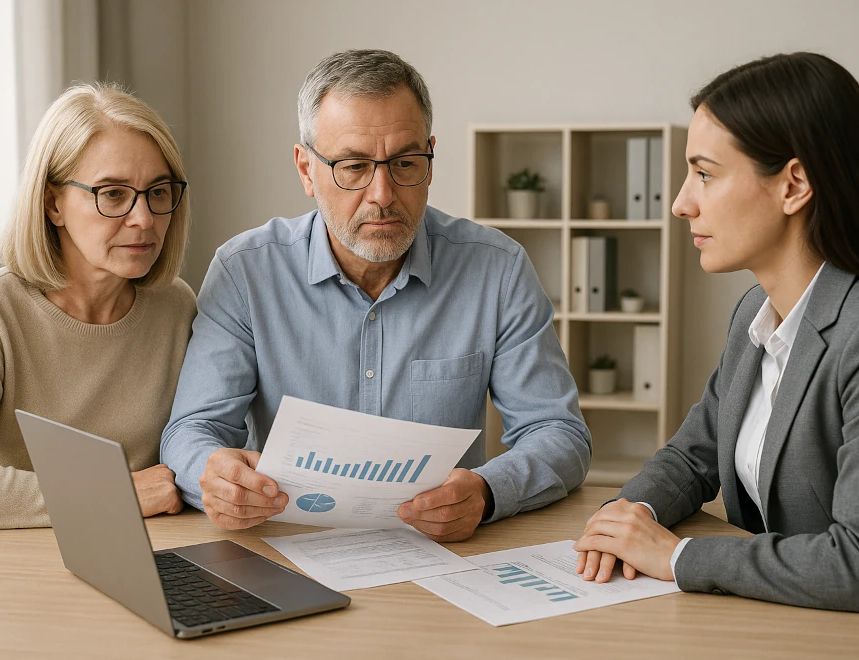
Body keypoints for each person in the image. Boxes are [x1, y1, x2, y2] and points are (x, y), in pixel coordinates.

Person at [161, 49, 591, 541]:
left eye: (405, 163)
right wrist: (213, 476)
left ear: (430, 159)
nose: (382, 193)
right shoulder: (244, 272)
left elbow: (559, 433)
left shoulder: (498, 269)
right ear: (306, 170)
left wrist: (488, 492)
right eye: (353, 166)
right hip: (288, 548)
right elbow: (190, 431)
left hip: (447, 560)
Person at [573, 52, 859, 633]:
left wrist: (677, 557)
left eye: (705, 174)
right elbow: (694, 456)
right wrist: (625, 514)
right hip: (774, 623)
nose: (682, 202)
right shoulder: (753, 317)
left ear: (794, 185)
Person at [0, 82, 197, 529]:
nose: (144, 218)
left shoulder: (175, 306)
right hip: (15, 565)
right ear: (53, 203)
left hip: (148, 554)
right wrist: (117, 491)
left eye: (159, 191)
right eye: (112, 194)